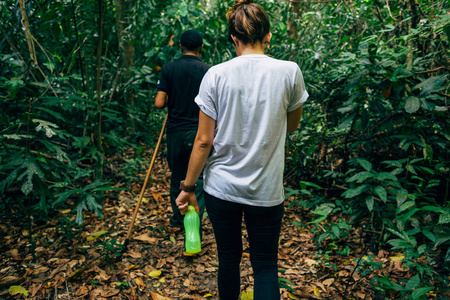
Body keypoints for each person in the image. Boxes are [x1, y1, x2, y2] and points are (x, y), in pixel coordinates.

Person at [175, 0, 309, 298]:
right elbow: (291, 126)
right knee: (265, 266)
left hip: (222, 189)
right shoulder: (290, 72)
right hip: (266, 189)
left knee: (228, 261)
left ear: (234, 38)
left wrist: (188, 187)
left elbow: (203, 141)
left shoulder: (216, 75)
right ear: (268, 35)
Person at [154, 30, 210, 235]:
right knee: (199, 178)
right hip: (201, 132)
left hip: (176, 132)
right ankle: (194, 219)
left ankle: (179, 220)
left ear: (180, 47)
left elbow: (159, 103)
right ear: (201, 48)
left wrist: (173, 97)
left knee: (178, 175)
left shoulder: (169, 69)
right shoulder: (208, 71)